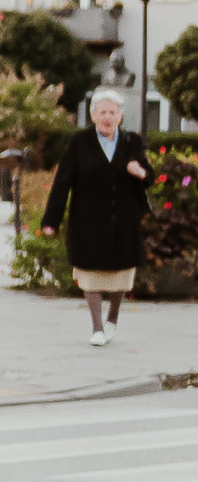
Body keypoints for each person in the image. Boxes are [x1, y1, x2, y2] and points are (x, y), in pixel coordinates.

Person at [43, 88, 152, 346]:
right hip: (88, 220)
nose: (107, 116)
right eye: (102, 111)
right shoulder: (79, 142)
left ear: (120, 117)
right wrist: (51, 220)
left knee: (121, 274)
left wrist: (141, 172)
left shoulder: (131, 142)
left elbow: (149, 174)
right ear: (93, 116)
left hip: (124, 218)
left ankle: (113, 317)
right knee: (90, 273)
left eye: (112, 112)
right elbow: (62, 182)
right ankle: (97, 327)